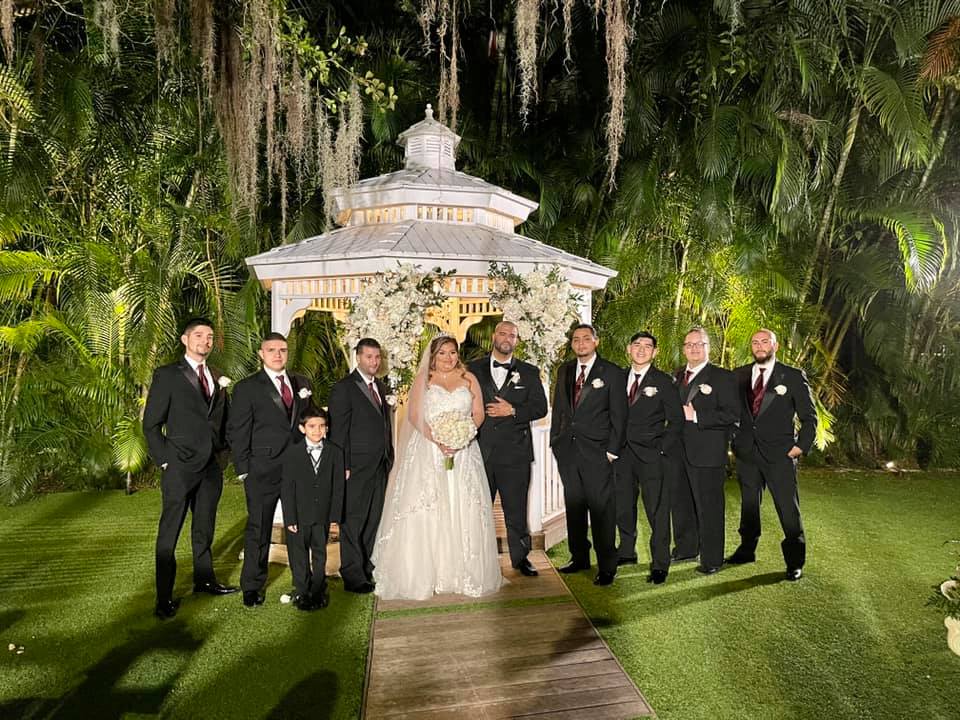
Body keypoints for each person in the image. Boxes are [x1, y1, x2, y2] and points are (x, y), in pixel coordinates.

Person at [372, 335, 502, 601]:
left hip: (464, 453)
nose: (448, 358)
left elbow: (478, 413)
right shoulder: (424, 380)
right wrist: (440, 441)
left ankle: (462, 573)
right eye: (442, 353)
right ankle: (425, 573)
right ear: (433, 356)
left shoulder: (469, 379)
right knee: (429, 507)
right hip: (429, 453)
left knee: (464, 506)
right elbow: (414, 416)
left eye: (452, 353)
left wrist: (464, 434)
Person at [143, 317, 238, 620]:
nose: (205, 341)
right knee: (169, 531)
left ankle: (205, 580)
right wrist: (165, 460)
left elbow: (225, 422)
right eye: (199, 335)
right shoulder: (167, 375)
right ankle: (163, 597)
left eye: (210, 336)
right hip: (180, 466)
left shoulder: (219, 376)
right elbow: (151, 425)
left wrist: (224, 455)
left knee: (204, 528)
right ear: (185, 340)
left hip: (211, 466)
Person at [228, 332, 313, 607]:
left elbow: (310, 422)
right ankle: (252, 585)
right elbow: (237, 431)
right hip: (261, 470)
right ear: (261, 354)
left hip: (297, 470)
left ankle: (303, 583)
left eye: (283, 350)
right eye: (272, 350)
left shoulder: (302, 383)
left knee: (298, 528)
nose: (278, 354)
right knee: (259, 527)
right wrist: (244, 469)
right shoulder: (247, 388)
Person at [730, 329, 817, 581]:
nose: (759, 346)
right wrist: (735, 441)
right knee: (748, 506)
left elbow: (809, 417)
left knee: (788, 509)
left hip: (780, 455)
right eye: (755, 342)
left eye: (764, 342)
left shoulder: (791, 376)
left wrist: (800, 446)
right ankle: (747, 550)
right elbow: (732, 411)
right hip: (747, 454)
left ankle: (794, 562)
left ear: (775, 346)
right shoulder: (739, 375)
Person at [468, 321, 548, 577]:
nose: (506, 338)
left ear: (516, 340)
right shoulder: (472, 369)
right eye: (502, 333)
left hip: (516, 454)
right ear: (494, 336)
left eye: (512, 335)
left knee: (516, 509)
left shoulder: (529, 372)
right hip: (481, 451)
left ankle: (520, 558)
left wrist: (513, 410)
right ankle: (477, 559)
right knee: (478, 508)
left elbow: (540, 408)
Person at [550, 324, 627, 586]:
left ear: (596, 342)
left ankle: (607, 566)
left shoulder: (613, 373)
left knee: (602, 510)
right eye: (576, 339)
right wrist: (555, 442)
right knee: (574, 506)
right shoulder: (565, 370)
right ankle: (579, 557)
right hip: (568, 451)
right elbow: (560, 408)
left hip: (598, 453)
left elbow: (619, 415)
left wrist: (611, 451)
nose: (581, 343)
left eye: (586, 338)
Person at [328, 338, 394, 594]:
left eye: (377, 357)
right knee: (353, 520)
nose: (374, 362)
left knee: (372, 518)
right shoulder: (344, 388)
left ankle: (365, 566)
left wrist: (389, 456)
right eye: (369, 357)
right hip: (354, 466)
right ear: (358, 357)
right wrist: (342, 465)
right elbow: (338, 431)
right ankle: (352, 573)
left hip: (379, 464)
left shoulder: (381, 386)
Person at [615, 331, 683, 584]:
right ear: (628, 349)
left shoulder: (664, 381)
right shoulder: (617, 378)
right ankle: (626, 552)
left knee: (657, 511)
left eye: (647, 346)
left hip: (652, 455)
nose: (641, 350)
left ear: (655, 352)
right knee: (623, 506)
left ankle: (660, 563)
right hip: (621, 455)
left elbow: (676, 421)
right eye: (636, 345)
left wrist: (661, 449)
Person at [675, 327, 739, 575]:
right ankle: (686, 549)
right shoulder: (677, 375)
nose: (693, 348)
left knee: (709, 507)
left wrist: (697, 416)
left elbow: (733, 416)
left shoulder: (723, 377)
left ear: (707, 348)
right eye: (689, 344)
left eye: (698, 344)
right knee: (681, 504)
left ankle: (712, 559)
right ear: (684, 348)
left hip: (707, 453)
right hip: (678, 452)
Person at [280, 405, 346, 610]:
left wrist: (334, 514)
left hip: (322, 515)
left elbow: (338, 486)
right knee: (298, 555)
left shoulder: (335, 452)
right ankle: (301, 590)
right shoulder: (292, 453)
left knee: (320, 554)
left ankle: (318, 590)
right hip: (299, 515)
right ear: (302, 429)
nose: (317, 431)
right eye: (312, 426)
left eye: (321, 426)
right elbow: (287, 488)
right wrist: (290, 518)